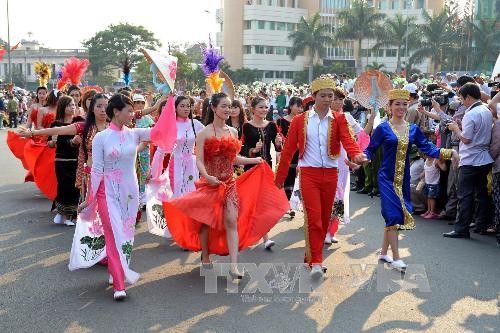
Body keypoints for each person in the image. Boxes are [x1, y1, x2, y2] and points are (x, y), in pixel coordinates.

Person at [163, 92, 289, 279]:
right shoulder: (204, 133)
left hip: (229, 183)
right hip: (210, 184)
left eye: (229, 106)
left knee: (231, 221)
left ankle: (234, 266)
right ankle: (205, 257)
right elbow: (199, 161)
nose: (228, 110)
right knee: (206, 224)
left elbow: (234, 158)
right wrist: (207, 176)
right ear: (213, 108)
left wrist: (254, 160)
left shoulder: (233, 132)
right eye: (224, 106)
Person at [69, 93, 176, 301]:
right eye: (128, 110)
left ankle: (115, 269)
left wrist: (169, 103)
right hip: (106, 193)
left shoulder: (134, 134)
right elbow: (97, 170)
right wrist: (89, 200)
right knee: (113, 234)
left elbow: (161, 132)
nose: (131, 114)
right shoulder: (101, 138)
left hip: (130, 193)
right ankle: (119, 284)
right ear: (116, 112)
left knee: (125, 235)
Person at [275, 76, 367, 279]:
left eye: (330, 96)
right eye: (323, 95)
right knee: (314, 219)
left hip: (331, 175)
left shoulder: (340, 119)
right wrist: (280, 178)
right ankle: (316, 261)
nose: (327, 99)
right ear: (314, 96)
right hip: (309, 174)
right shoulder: (300, 120)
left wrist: (357, 155)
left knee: (325, 219)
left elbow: (349, 141)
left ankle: (312, 257)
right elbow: (289, 149)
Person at [364, 89, 458, 270]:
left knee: (396, 216)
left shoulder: (413, 129)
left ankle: (384, 252)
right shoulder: (382, 128)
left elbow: (428, 149)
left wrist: (450, 152)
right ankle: (397, 257)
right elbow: (370, 150)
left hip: (403, 178)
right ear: (389, 107)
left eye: (404, 104)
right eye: (397, 103)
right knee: (393, 215)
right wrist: (362, 157)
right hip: (386, 177)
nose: (401, 107)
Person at [444, 83, 494, 238]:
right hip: (484, 158)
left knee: (465, 195)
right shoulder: (486, 109)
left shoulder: (471, 113)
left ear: (468, 97)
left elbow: (466, 139)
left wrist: (455, 128)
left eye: (462, 98)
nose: (461, 101)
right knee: (481, 193)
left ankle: (461, 229)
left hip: (471, 159)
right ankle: (481, 225)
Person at [241, 96, 283, 249]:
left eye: (266, 107)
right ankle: (264, 237)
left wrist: (278, 144)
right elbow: (242, 148)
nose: (264, 110)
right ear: (253, 109)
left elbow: (278, 147)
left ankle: (263, 236)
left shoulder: (271, 125)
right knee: (253, 202)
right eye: (261, 107)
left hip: (267, 167)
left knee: (264, 203)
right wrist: (253, 150)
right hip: (251, 168)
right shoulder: (246, 126)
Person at [50, 96, 80, 226]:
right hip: (61, 160)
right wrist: (52, 142)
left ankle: (70, 216)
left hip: (76, 160)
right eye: (69, 105)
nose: (72, 107)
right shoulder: (56, 124)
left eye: (73, 105)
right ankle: (60, 212)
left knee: (75, 187)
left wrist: (74, 142)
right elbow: (50, 143)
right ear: (62, 107)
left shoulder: (78, 122)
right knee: (63, 186)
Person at [276, 96, 302, 212]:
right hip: (286, 151)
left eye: (301, 107)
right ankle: (283, 202)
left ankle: (290, 203)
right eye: (298, 106)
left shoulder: (303, 121)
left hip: (299, 153)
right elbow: (280, 135)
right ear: (291, 106)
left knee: (293, 176)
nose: (300, 109)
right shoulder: (281, 121)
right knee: (284, 175)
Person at [420, 155, 447, 219]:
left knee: (431, 197)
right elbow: (425, 169)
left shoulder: (436, 160)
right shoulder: (426, 160)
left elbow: (444, 168)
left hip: (434, 183)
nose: (425, 155)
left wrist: (442, 162)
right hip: (427, 182)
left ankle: (432, 212)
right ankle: (429, 210)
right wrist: (422, 174)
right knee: (428, 197)